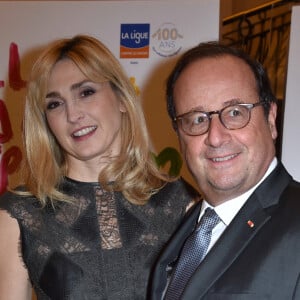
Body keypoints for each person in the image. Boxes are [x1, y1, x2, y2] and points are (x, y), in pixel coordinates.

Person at [0, 35, 198, 300]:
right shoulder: (20, 213)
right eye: (55, 104)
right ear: (46, 121)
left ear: (121, 98)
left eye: (86, 92)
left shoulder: (179, 202)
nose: (73, 115)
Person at [150, 41, 300, 300]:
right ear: (179, 136)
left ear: (271, 119)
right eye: (197, 119)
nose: (216, 137)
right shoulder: (184, 234)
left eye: (234, 112)